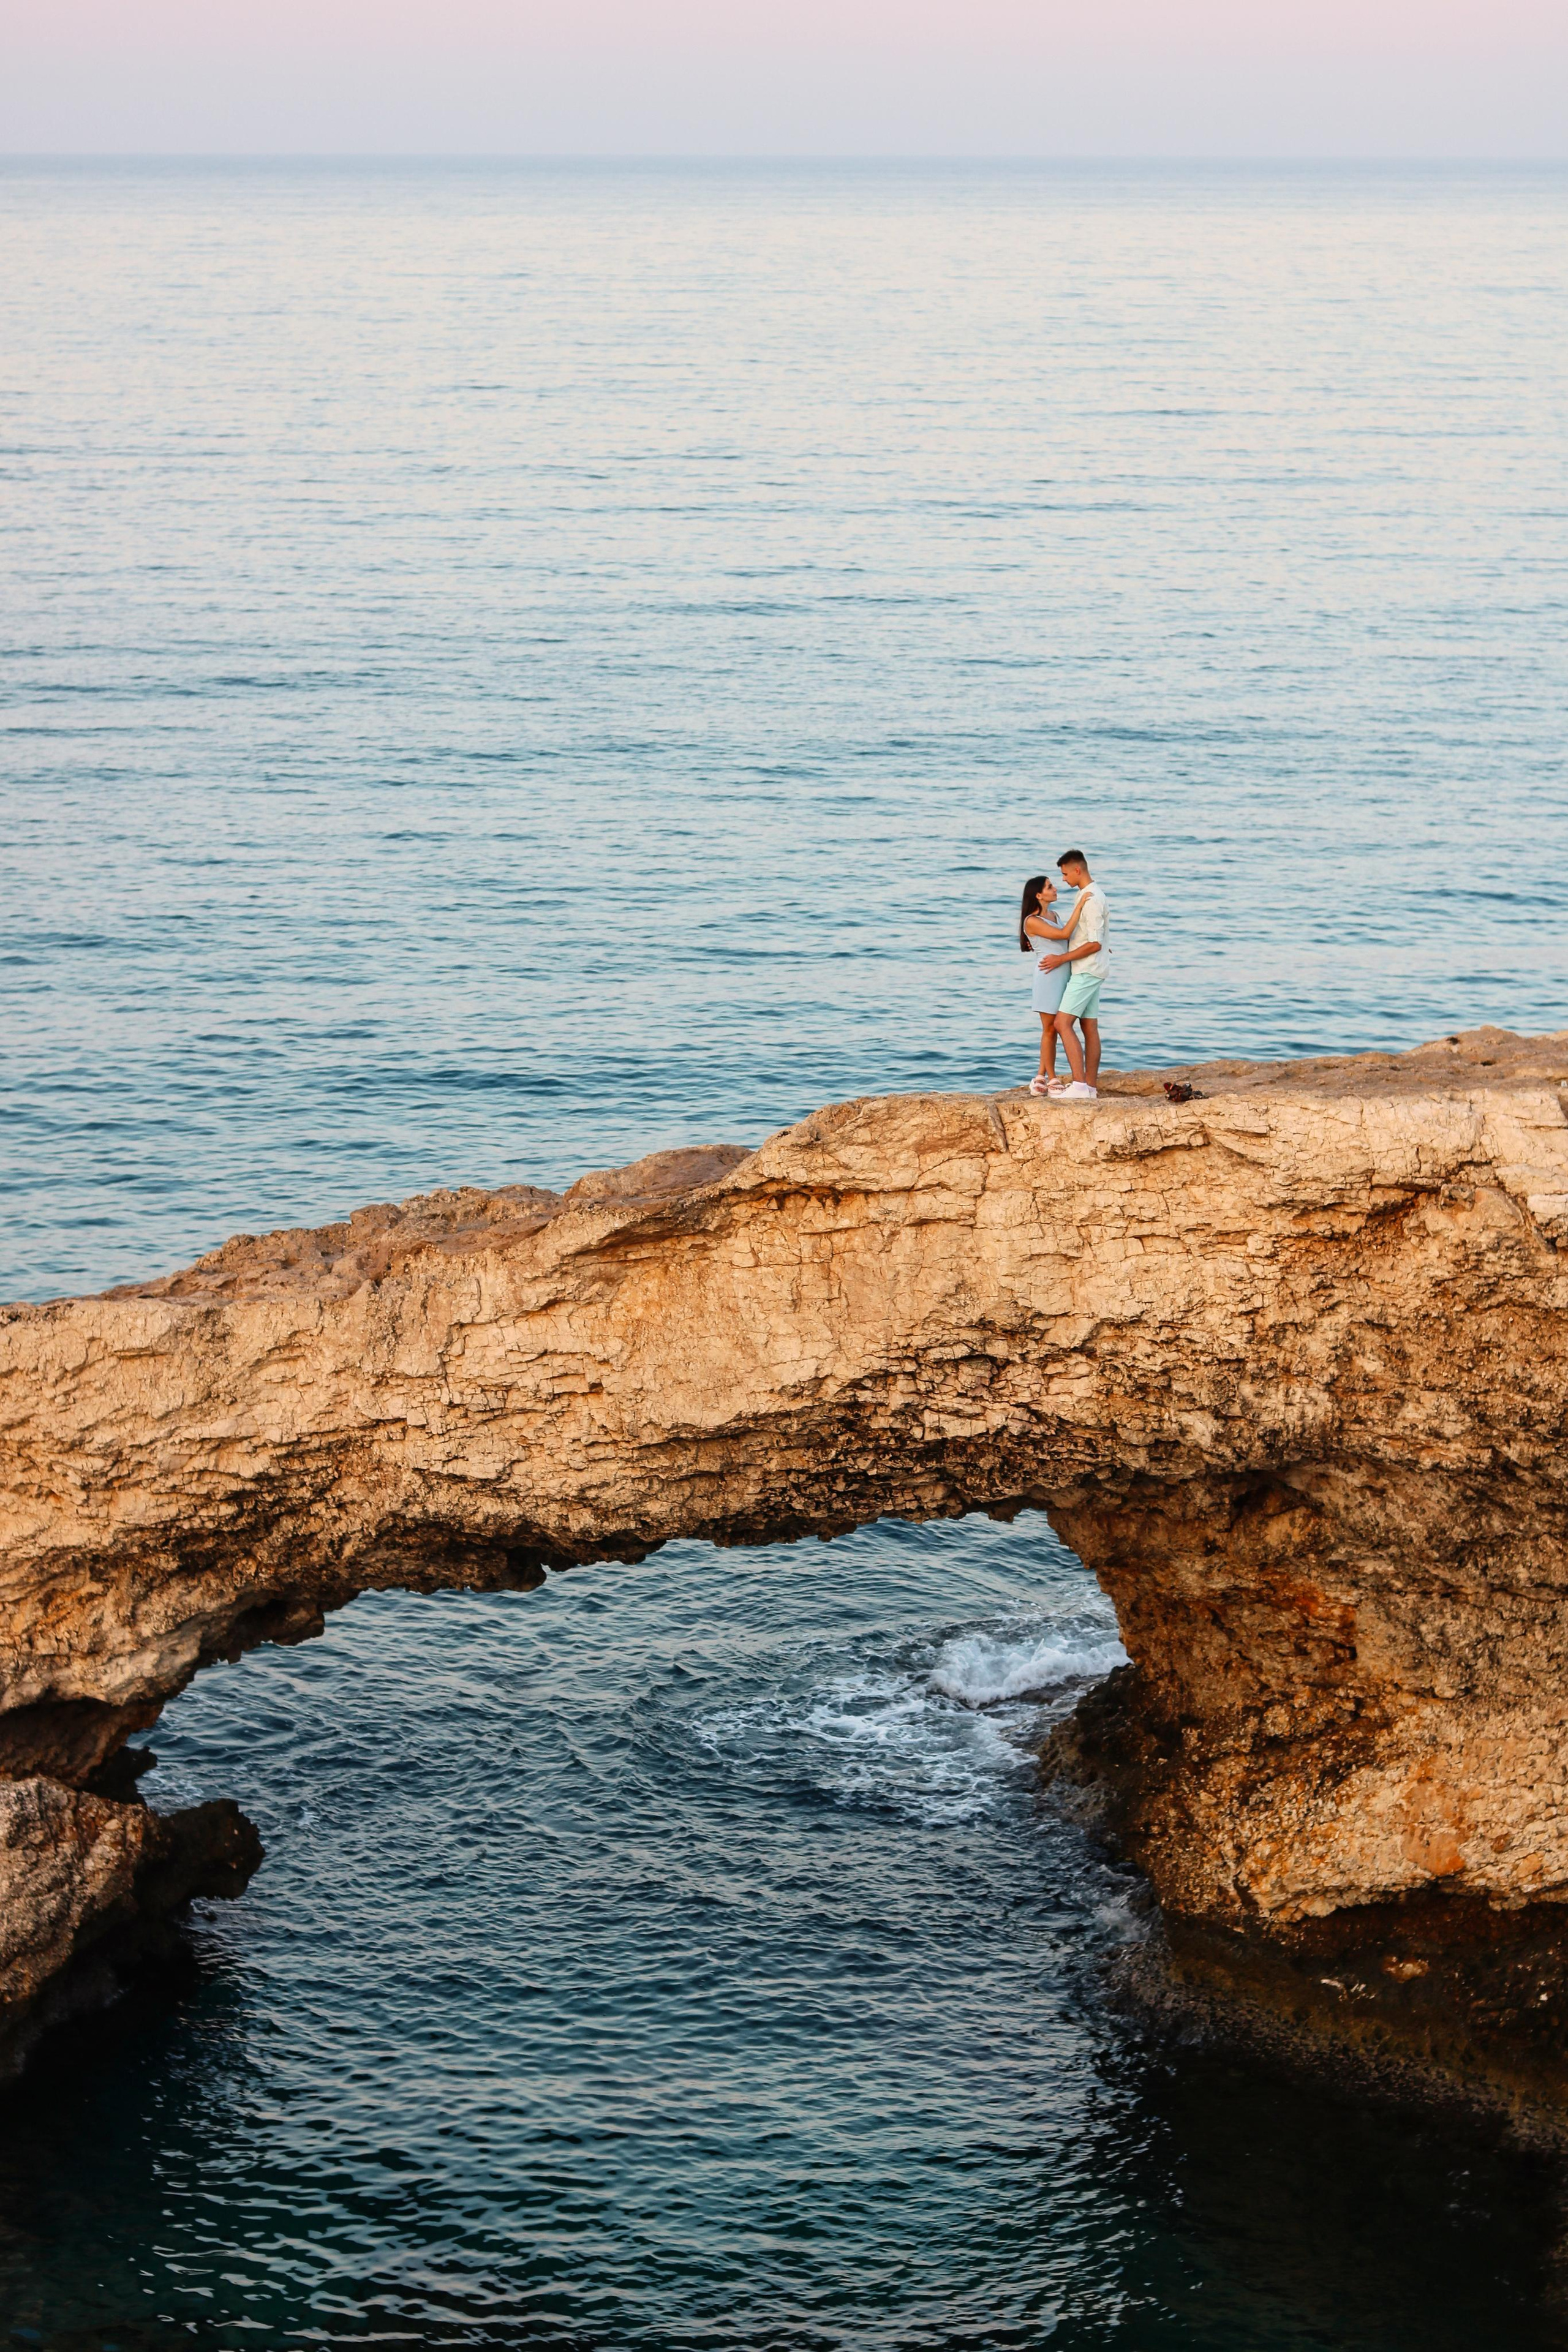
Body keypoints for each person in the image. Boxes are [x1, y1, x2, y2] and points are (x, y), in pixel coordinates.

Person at [1036, 850, 1107, 1101]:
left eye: (1065, 874)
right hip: (1091, 968)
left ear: (1078, 870)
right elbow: (1093, 938)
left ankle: (1078, 1085)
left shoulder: (1092, 899)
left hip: (1086, 969)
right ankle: (1090, 1088)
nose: (1063, 880)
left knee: (1061, 1023)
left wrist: (1060, 959)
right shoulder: (1087, 895)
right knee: (1089, 1026)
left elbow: (1094, 943)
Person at [1019, 874, 1087, 1095]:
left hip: (1063, 974)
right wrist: (1082, 904)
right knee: (1050, 1029)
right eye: (1050, 887)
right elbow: (1064, 933)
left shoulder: (1054, 915)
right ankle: (1052, 1077)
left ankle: (1041, 1075)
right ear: (1039, 895)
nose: (1055, 889)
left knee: (1057, 1027)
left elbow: (1069, 939)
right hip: (1048, 976)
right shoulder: (1032, 921)